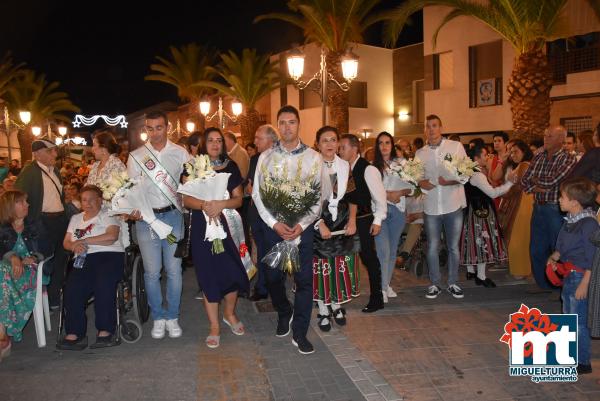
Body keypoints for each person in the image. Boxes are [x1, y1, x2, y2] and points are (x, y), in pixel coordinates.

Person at [252, 105, 327, 355]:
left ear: (299, 125)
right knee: (273, 278)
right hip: (274, 229)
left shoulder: (314, 158)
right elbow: (258, 196)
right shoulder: (266, 157)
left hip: (301, 230)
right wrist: (274, 223)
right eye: (282, 123)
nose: (287, 127)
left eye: (291, 122)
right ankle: (284, 311)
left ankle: (300, 332)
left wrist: (302, 225)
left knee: (304, 282)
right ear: (277, 126)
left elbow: (319, 198)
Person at [182, 127, 249, 349]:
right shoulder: (191, 167)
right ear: (203, 143)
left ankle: (229, 314)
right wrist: (204, 205)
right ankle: (214, 326)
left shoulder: (231, 166)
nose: (215, 144)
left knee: (232, 271)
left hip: (228, 225)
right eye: (210, 140)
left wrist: (221, 204)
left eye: (219, 140)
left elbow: (239, 199)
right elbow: (186, 199)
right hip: (203, 227)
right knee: (208, 274)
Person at [127, 111, 189, 340]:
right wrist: (130, 209)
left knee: (173, 270)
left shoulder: (180, 153)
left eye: (159, 127)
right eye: (150, 128)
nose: (154, 133)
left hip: (173, 218)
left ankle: (172, 316)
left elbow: (192, 182)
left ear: (167, 127)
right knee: (152, 273)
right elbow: (130, 189)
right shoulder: (136, 156)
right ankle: (158, 317)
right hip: (147, 221)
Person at [56, 185, 124, 350]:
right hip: (83, 257)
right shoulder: (76, 219)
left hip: (108, 255)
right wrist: (74, 247)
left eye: (92, 200)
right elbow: (66, 242)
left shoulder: (107, 215)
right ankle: (75, 332)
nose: (88, 203)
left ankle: (105, 330)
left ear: (100, 201)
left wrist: (84, 241)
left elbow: (111, 236)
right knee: (73, 288)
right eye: (84, 200)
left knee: (104, 285)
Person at [548, 177, 598, 375]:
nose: (559, 200)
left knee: (578, 321)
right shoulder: (571, 220)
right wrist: (555, 257)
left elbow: (593, 257)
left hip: (580, 277)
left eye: (562, 197)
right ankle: (571, 355)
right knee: (569, 317)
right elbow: (564, 246)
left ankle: (582, 361)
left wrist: (585, 283)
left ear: (575, 201)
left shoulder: (588, 225)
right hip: (569, 275)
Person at [312, 126, 359, 331]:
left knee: (339, 265)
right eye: (325, 140)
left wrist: (353, 220)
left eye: (333, 140)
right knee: (322, 267)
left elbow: (352, 197)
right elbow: (305, 201)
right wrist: (318, 222)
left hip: (341, 221)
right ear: (317, 144)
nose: (330, 144)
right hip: (317, 220)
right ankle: (323, 309)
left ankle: (336, 304)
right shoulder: (310, 165)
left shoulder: (344, 165)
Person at [417, 115, 467, 299]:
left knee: (453, 246)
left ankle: (453, 282)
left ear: (441, 127)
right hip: (431, 206)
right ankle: (434, 283)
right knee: (432, 246)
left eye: (435, 125)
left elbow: (465, 173)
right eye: (428, 126)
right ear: (425, 129)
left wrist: (450, 180)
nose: (431, 129)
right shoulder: (420, 153)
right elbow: (416, 177)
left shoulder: (455, 147)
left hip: (452, 203)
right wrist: (422, 182)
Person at [521, 125, 577, 290]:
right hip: (538, 207)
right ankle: (543, 285)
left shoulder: (568, 158)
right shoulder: (538, 157)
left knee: (558, 249)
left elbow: (552, 181)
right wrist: (538, 185)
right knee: (536, 249)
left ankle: (560, 286)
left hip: (555, 210)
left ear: (561, 139)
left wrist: (536, 181)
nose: (545, 139)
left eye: (550, 136)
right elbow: (524, 182)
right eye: (545, 136)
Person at [15, 138, 68, 309]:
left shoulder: (55, 171)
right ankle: (43, 299)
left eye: (54, 150)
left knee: (61, 258)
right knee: (47, 260)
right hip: (42, 222)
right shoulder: (29, 172)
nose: (55, 153)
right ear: (37, 154)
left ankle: (54, 298)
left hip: (59, 220)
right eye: (50, 151)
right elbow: (18, 199)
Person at [338, 133, 387, 312]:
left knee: (368, 258)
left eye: (343, 147)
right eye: (339, 148)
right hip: (344, 221)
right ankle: (338, 296)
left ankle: (377, 298)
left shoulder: (368, 169)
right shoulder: (342, 168)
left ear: (354, 148)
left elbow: (380, 197)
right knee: (342, 258)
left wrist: (378, 220)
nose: (340, 151)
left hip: (364, 220)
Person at [0, 190, 44, 361]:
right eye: (22, 202)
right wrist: (12, 256)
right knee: (2, 272)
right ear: (11, 206)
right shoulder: (2, 228)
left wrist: (33, 257)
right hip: (6, 274)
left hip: (31, 272)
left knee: (1, 275)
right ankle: (3, 333)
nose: (28, 205)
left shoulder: (35, 225)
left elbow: (48, 249)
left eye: (26, 201)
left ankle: (3, 334)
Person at [461, 146, 514, 288]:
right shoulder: (477, 175)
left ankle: (471, 271)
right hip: (480, 212)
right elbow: (493, 193)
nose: (487, 157)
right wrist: (510, 182)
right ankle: (481, 276)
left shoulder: (470, 172)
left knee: (472, 240)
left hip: (472, 211)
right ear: (476, 159)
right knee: (482, 241)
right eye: (484, 155)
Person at [372, 132, 411, 303]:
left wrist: (400, 192)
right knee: (383, 251)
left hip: (398, 211)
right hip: (379, 212)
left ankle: (386, 285)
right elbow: (370, 190)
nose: (384, 146)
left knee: (393, 250)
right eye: (381, 143)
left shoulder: (402, 164)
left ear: (392, 144)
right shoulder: (372, 167)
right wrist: (388, 195)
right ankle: (381, 289)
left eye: (387, 142)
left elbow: (412, 187)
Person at [247, 124, 277, 302]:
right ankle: (262, 286)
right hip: (256, 214)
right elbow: (249, 183)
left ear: (271, 140)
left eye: (259, 138)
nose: (255, 141)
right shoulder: (254, 159)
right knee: (262, 251)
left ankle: (272, 287)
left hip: (274, 216)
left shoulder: (281, 158)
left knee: (272, 252)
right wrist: (249, 188)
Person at [499, 140, 534, 279]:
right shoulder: (520, 165)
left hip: (523, 202)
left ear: (524, 152)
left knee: (518, 237)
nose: (513, 154)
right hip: (520, 201)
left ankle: (521, 271)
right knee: (518, 236)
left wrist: (503, 194)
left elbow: (519, 186)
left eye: (516, 151)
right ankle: (521, 270)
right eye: (511, 152)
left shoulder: (525, 164)